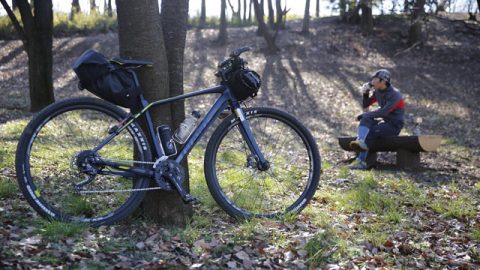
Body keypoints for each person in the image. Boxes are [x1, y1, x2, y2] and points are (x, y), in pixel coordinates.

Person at [349, 69, 405, 170]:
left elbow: (383, 112)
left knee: (369, 130)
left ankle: (361, 161)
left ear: (383, 81)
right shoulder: (378, 92)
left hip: (394, 126)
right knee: (366, 119)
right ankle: (360, 141)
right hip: (384, 121)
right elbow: (366, 106)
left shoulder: (395, 95)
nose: (371, 81)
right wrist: (365, 93)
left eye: (374, 79)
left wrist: (363, 115)